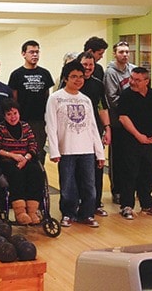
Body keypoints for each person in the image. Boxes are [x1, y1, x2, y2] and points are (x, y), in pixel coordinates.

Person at [45, 60, 105, 228]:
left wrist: (99, 153)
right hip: (66, 150)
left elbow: (93, 126)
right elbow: (51, 125)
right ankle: (68, 214)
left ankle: (86, 214)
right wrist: (54, 150)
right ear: (65, 79)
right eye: (73, 77)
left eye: (80, 77)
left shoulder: (85, 100)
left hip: (87, 150)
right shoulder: (55, 98)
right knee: (68, 185)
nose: (78, 80)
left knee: (89, 185)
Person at [60, 52, 112, 216]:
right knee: (73, 174)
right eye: (85, 64)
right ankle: (72, 207)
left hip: (93, 132)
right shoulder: (66, 87)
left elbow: (102, 107)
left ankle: (93, 205)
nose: (88, 68)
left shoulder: (98, 84)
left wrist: (107, 128)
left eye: (91, 65)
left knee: (95, 171)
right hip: (73, 137)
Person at [118, 67, 152, 220]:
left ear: (146, 81)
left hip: (149, 142)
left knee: (148, 172)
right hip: (130, 141)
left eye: (137, 80)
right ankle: (126, 205)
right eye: (132, 78)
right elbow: (123, 118)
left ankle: (147, 204)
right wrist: (138, 135)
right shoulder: (126, 95)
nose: (132, 82)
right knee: (129, 172)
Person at [0, 99, 44, 225]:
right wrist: (13, 156)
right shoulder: (0, 129)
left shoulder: (25, 126)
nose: (12, 117)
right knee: (16, 174)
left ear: (19, 113)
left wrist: (25, 158)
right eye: (9, 114)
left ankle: (32, 211)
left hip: (26, 159)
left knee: (36, 172)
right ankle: (20, 212)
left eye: (15, 113)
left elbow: (33, 145)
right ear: (4, 116)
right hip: (8, 160)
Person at [9, 40, 55, 165]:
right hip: (23, 120)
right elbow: (14, 99)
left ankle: (39, 177)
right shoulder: (16, 74)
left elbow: (47, 96)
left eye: (37, 52)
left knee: (38, 151)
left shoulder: (45, 73)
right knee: (23, 152)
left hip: (40, 121)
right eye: (31, 52)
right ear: (23, 54)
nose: (35, 55)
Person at [104, 41, 136, 205]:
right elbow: (112, 98)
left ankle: (132, 190)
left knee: (132, 157)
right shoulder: (110, 72)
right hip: (117, 121)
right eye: (121, 52)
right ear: (115, 54)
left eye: (127, 52)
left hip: (133, 120)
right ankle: (117, 190)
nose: (125, 54)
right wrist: (131, 106)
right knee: (118, 158)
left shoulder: (133, 70)